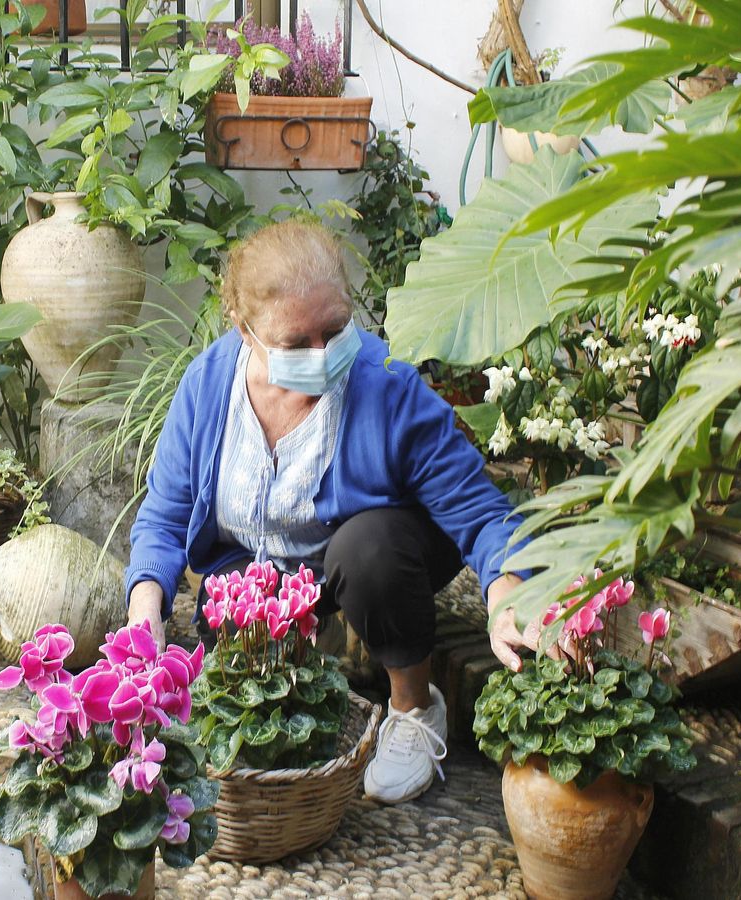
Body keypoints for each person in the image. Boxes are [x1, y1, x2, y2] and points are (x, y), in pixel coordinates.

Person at [123, 220, 535, 804]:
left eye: (336, 329)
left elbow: (479, 507)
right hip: (268, 577)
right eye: (297, 343)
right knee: (232, 688)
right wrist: (146, 613)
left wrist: (505, 588)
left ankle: (415, 708)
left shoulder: (383, 382)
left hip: (375, 557)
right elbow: (163, 517)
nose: (323, 355)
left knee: (369, 550)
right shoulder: (208, 385)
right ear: (245, 331)